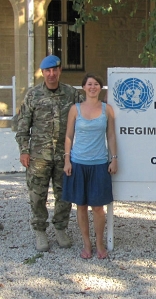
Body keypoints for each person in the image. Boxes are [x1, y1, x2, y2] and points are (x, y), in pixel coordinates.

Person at [15, 55, 84, 252]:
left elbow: (88, 112)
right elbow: (22, 126)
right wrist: (24, 151)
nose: (51, 74)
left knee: (64, 195)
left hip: (65, 155)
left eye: (55, 70)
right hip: (38, 156)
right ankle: (40, 230)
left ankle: (61, 228)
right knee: (37, 195)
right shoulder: (33, 95)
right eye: (47, 71)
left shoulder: (71, 94)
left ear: (60, 70)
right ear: (42, 72)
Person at [63, 73, 117, 260]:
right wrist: (67, 160)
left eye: (96, 84)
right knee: (81, 206)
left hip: (100, 163)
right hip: (78, 163)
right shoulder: (75, 110)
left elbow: (111, 136)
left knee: (98, 208)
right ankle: (87, 244)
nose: (92, 87)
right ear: (83, 87)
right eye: (89, 84)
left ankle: (100, 243)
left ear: (100, 88)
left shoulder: (107, 110)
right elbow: (69, 136)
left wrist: (114, 158)